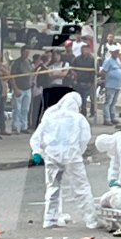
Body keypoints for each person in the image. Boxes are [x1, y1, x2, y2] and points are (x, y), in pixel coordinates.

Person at [30, 93, 99, 229]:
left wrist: (37, 151)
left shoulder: (50, 117)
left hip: (52, 155)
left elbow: (37, 137)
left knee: (52, 187)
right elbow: (85, 138)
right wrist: (78, 151)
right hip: (72, 156)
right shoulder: (78, 119)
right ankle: (91, 220)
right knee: (81, 188)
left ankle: (49, 219)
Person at [11, 46, 35, 134]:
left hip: (27, 88)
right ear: (22, 52)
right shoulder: (17, 63)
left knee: (25, 109)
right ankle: (14, 126)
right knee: (17, 109)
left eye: (28, 52)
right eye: (25, 52)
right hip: (19, 88)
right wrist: (15, 88)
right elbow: (12, 76)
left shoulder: (28, 62)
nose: (27, 54)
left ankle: (24, 126)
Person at [101, 47, 121, 125]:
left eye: (117, 52)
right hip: (110, 84)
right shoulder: (108, 61)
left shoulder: (117, 60)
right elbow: (103, 71)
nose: (117, 53)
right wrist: (106, 80)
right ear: (111, 52)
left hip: (117, 85)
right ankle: (107, 118)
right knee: (108, 102)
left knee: (114, 102)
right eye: (115, 52)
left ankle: (113, 117)